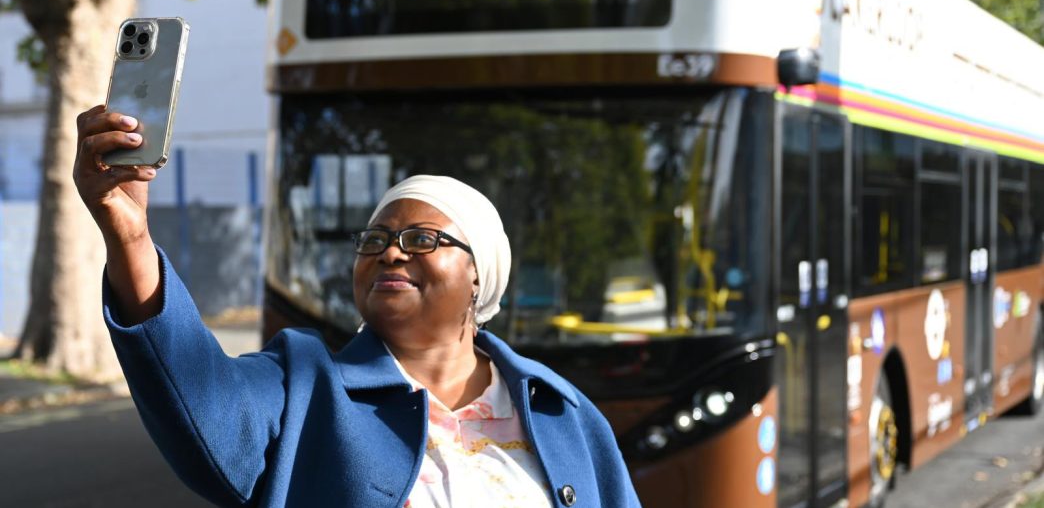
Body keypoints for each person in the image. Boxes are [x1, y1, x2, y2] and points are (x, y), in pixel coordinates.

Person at [73, 104, 642, 508]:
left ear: (478, 274)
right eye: (374, 240)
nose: (391, 252)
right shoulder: (303, 387)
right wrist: (131, 237)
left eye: (421, 239)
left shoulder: (560, 411)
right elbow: (197, 399)